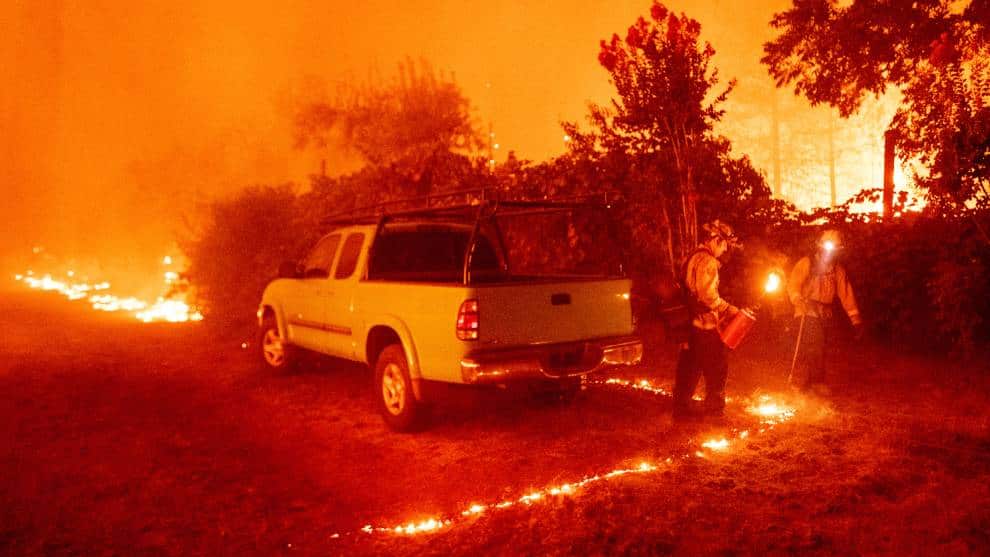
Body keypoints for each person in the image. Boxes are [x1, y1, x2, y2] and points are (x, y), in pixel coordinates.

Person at [672, 220, 742, 421]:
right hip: (704, 324)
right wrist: (729, 309)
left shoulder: (692, 256)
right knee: (717, 367)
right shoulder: (708, 261)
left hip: (690, 323)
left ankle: (681, 411)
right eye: (724, 245)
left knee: (689, 365)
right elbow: (707, 296)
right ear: (717, 240)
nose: (724, 250)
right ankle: (714, 413)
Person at [787, 229, 863, 392]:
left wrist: (855, 319)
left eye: (835, 251)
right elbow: (793, 284)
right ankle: (812, 383)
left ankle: (810, 383)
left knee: (820, 348)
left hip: (825, 314)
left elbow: (846, 293)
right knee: (814, 345)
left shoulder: (837, 270)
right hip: (806, 312)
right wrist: (797, 298)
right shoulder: (807, 263)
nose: (831, 254)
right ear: (820, 248)